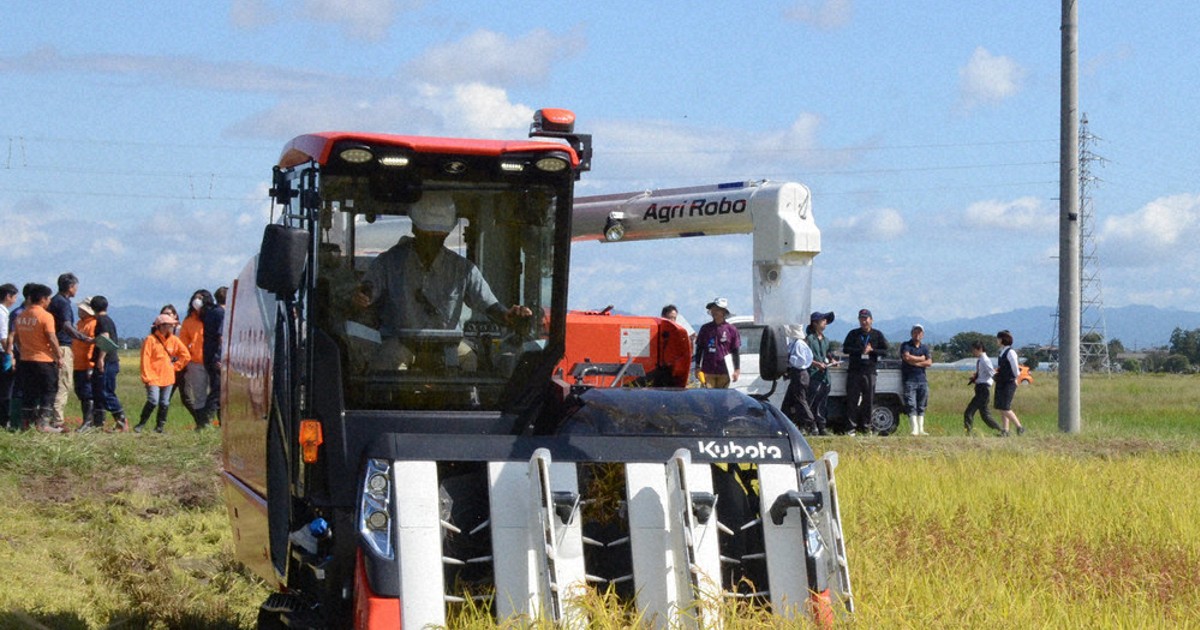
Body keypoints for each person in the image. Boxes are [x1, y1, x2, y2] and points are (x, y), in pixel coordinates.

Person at [352, 193, 531, 370]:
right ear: (415, 229)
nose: (432, 242)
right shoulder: (388, 262)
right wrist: (363, 296)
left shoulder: (463, 269)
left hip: (448, 345)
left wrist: (508, 316)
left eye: (438, 236)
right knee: (388, 362)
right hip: (400, 341)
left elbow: (489, 305)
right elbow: (368, 289)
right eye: (427, 235)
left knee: (468, 360)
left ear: (446, 234)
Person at [13, 283, 62, 433]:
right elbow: (51, 337)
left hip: (26, 360)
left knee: (29, 392)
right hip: (44, 360)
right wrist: (58, 356)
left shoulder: (21, 316)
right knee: (49, 390)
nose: (49, 302)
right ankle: (43, 423)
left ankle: (26, 423)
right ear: (43, 299)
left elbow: (17, 339)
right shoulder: (46, 316)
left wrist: (23, 351)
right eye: (48, 299)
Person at [48, 273, 92, 430]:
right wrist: (82, 337)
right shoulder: (63, 303)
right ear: (70, 287)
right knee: (63, 383)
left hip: (51, 347)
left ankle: (51, 417)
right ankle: (57, 421)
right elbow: (66, 325)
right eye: (75, 286)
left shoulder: (53, 301)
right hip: (62, 346)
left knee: (53, 383)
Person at [80, 296, 129, 432]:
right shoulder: (107, 319)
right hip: (110, 361)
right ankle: (99, 423)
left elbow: (105, 338)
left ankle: (121, 420)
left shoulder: (101, 320)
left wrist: (101, 358)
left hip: (107, 361)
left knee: (105, 392)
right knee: (99, 391)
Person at [136, 314, 190, 433]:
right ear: (160, 326)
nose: (171, 327)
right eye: (169, 325)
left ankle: (160, 427)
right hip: (153, 376)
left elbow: (186, 355)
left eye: (172, 325)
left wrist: (176, 366)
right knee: (153, 400)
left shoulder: (174, 340)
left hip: (168, 377)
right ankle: (141, 424)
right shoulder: (150, 340)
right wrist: (147, 376)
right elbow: (145, 359)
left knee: (165, 402)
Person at [842, 308, 889, 435]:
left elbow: (885, 351)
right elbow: (845, 349)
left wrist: (872, 350)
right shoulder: (853, 334)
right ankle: (851, 427)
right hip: (855, 371)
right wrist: (860, 350)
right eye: (861, 319)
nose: (864, 321)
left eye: (866, 318)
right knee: (852, 399)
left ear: (871, 320)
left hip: (870, 371)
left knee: (868, 400)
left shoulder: (877, 334)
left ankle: (866, 427)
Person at [179, 290, 213, 429]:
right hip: (195, 362)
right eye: (195, 298)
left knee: (216, 392)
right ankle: (202, 423)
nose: (197, 301)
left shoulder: (212, 317)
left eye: (200, 298)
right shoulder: (188, 321)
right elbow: (183, 343)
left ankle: (214, 420)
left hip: (212, 361)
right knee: (199, 395)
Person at [693, 297, 741, 389]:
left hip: (725, 371)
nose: (714, 312)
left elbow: (735, 351)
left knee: (722, 399)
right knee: (708, 398)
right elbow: (699, 348)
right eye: (713, 309)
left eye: (717, 310)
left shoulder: (731, 330)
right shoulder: (705, 329)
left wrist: (737, 369)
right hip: (708, 371)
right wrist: (697, 367)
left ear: (723, 312)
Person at [805, 311, 837, 436]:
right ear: (815, 323)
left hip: (825, 376)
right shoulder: (808, 339)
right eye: (823, 320)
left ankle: (822, 426)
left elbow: (828, 354)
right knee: (811, 402)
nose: (825, 322)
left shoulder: (826, 340)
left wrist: (833, 360)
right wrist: (816, 364)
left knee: (822, 402)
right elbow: (805, 357)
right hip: (813, 375)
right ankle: (811, 426)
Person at [963, 340, 1003, 435]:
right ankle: (1001, 431)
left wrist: (1000, 384)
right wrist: (976, 377)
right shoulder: (981, 359)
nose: (972, 352)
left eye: (974, 350)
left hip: (983, 389)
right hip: (981, 388)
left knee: (969, 412)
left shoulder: (985, 360)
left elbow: (992, 373)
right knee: (985, 415)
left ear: (980, 349)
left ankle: (968, 432)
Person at [900, 324, 933, 436]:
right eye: (915, 332)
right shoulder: (906, 345)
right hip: (909, 380)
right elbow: (906, 357)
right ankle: (914, 429)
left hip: (922, 380)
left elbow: (929, 362)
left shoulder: (925, 347)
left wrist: (915, 362)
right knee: (911, 404)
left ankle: (921, 429)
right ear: (911, 333)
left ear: (922, 334)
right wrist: (921, 359)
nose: (917, 334)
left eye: (919, 332)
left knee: (922, 405)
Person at [781, 324, 815, 432]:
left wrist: (788, 359)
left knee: (800, 400)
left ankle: (811, 423)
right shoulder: (795, 343)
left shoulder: (799, 344)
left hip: (799, 374)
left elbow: (800, 361)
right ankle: (787, 423)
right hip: (797, 374)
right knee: (789, 401)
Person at [71, 298, 97, 432]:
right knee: (80, 392)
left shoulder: (92, 324)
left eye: (82, 309)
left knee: (87, 393)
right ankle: (88, 420)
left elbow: (93, 346)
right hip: (77, 364)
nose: (79, 311)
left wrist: (91, 365)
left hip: (86, 365)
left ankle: (89, 422)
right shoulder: (80, 323)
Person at [202, 286, 227, 426]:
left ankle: (220, 420)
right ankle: (207, 419)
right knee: (218, 390)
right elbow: (221, 337)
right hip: (217, 356)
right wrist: (221, 357)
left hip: (208, 354)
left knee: (217, 388)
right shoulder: (221, 314)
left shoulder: (210, 313)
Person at [994, 329, 1026, 436]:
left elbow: (1015, 368)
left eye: (998, 338)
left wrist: (1016, 379)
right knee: (1001, 406)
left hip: (1009, 382)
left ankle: (1019, 427)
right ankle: (1005, 430)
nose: (997, 341)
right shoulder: (1002, 352)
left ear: (1003, 339)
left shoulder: (1010, 352)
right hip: (1001, 381)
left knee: (1005, 406)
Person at [0, 283, 18, 431]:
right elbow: (3, 337)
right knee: (6, 389)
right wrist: (10, 353)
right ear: (8, 296)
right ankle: (3, 420)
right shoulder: (2, 312)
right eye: (14, 297)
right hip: (2, 353)